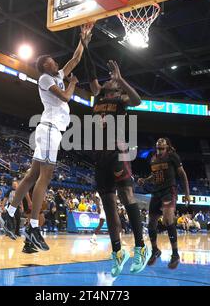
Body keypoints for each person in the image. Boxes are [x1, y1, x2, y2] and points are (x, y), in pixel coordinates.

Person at [4, 24, 93, 253]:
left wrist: (83, 40)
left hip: (50, 130)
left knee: (33, 175)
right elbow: (64, 97)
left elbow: (74, 59)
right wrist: (73, 84)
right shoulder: (45, 78)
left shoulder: (57, 75)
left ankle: (9, 214)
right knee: (45, 176)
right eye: (52, 61)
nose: (55, 62)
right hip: (50, 129)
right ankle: (33, 227)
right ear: (45, 66)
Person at [83, 38, 151, 277]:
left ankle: (141, 248)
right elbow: (90, 73)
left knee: (127, 195)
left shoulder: (121, 99)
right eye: (110, 78)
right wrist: (85, 44)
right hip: (99, 155)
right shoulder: (99, 96)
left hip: (118, 150)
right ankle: (118, 251)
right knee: (109, 205)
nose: (107, 78)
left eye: (112, 79)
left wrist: (121, 78)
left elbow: (138, 100)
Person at [138, 138, 190, 269]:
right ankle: (155, 250)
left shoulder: (173, 156)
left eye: (162, 148)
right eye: (157, 148)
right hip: (156, 192)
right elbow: (154, 175)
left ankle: (175, 254)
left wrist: (187, 193)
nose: (159, 150)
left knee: (167, 220)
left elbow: (182, 174)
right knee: (151, 224)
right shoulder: (153, 158)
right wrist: (145, 180)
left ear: (167, 147)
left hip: (169, 191)